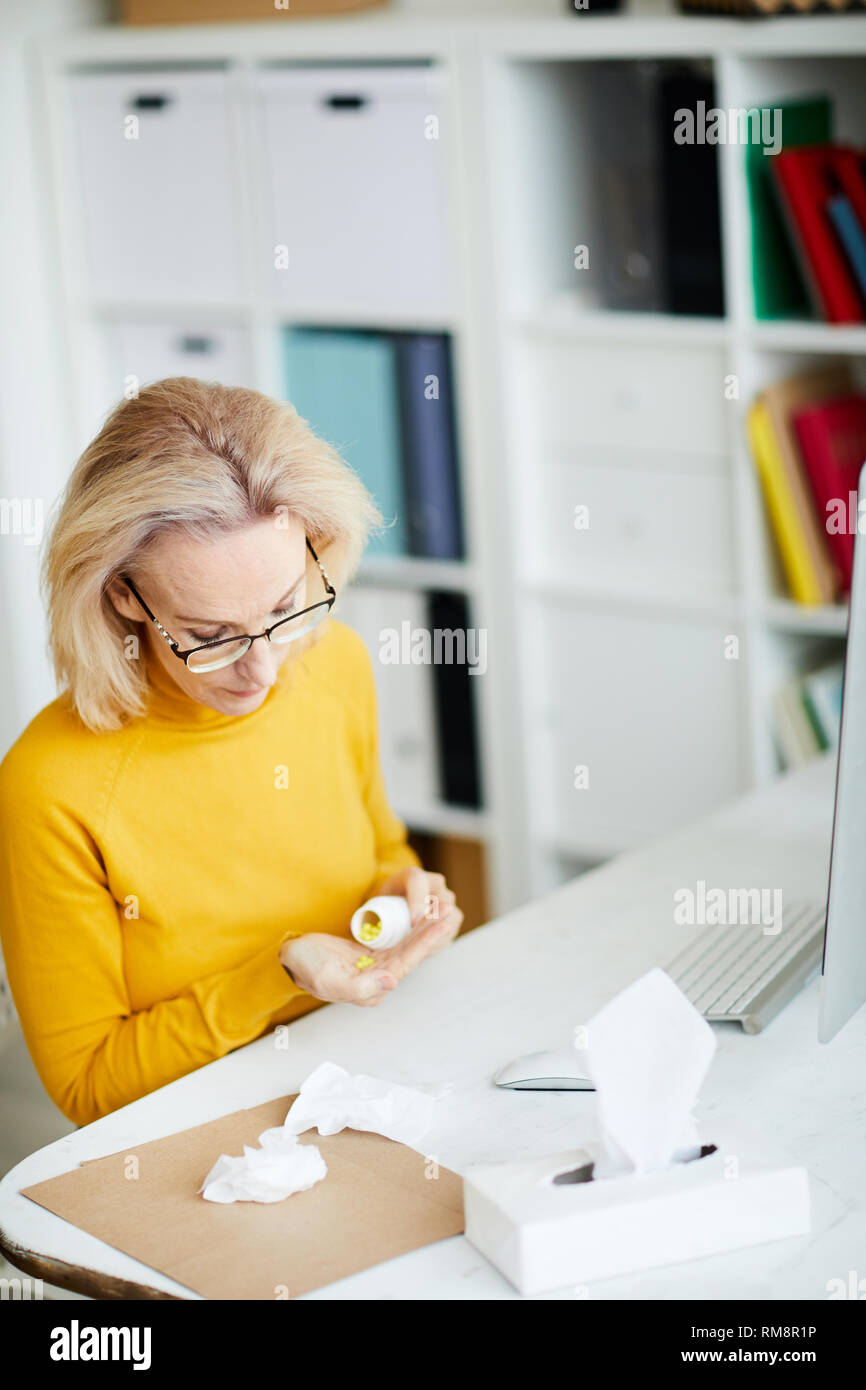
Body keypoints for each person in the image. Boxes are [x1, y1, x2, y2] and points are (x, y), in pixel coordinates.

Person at [0, 378, 463, 1128]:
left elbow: (380, 846)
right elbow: (88, 1086)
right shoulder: (52, 786)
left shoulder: (332, 658)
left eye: (284, 609)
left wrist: (407, 893)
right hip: (201, 1135)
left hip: (370, 1075)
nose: (265, 669)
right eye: (211, 637)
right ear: (121, 594)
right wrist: (280, 972)